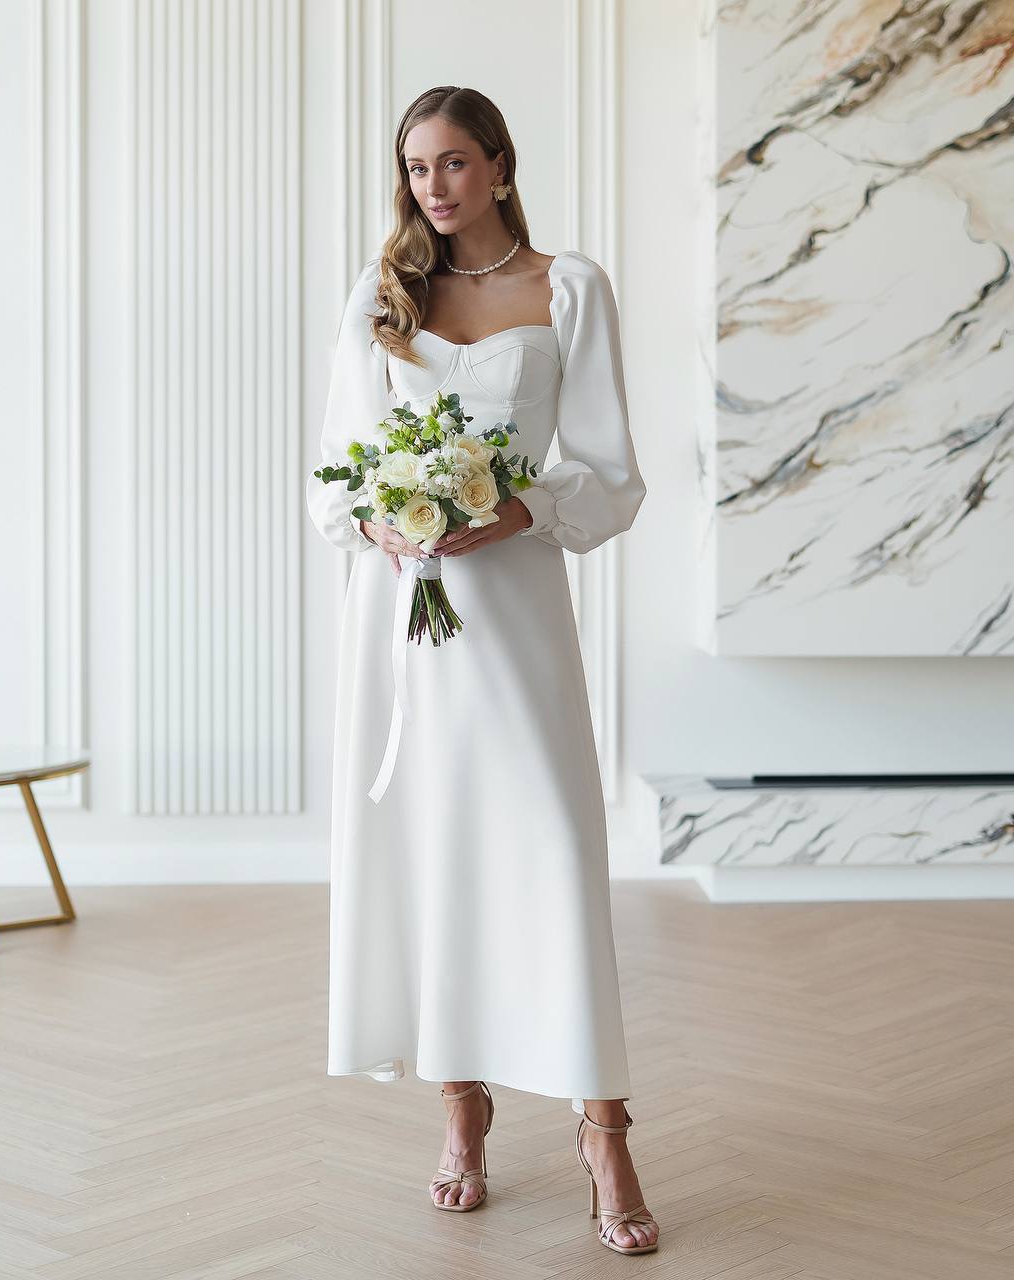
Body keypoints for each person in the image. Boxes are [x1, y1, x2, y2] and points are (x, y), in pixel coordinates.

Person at [305, 85, 658, 1257]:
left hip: (513, 610)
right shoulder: (380, 295)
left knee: (550, 849)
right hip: (399, 621)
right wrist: (385, 524)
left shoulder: (570, 288)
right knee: (428, 852)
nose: (433, 187)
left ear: (501, 167)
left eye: (454, 163)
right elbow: (330, 481)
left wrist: (512, 508)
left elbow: (608, 473)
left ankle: (603, 1128)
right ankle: (460, 1113)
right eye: (415, 168)